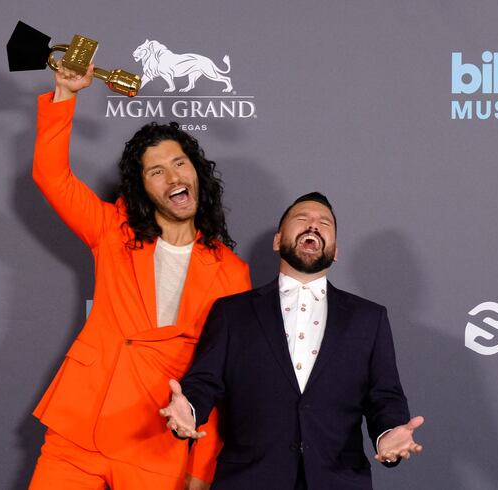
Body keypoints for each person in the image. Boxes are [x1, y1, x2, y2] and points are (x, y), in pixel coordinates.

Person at [28, 62, 251, 490]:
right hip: (79, 431)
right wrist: (66, 94)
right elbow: (51, 176)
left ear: (197, 173)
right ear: (143, 189)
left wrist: (200, 470)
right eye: (156, 171)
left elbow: (223, 376)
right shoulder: (113, 229)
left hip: (156, 440)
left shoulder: (232, 272)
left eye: (179, 163)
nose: (172, 177)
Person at [160, 192, 423, 490]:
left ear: (335, 250)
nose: (313, 226)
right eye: (302, 219)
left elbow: (385, 396)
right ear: (277, 241)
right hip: (249, 480)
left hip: (338, 479)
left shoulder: (369, 318)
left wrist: (388, 433)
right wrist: (189, 410)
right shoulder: (232, 312)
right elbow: (205, 382)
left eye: (324, 223)